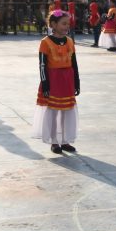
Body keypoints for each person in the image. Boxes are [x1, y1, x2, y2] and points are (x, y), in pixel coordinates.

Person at [33, 10, 80, 154]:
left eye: (68, 24)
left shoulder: (70, 41)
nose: (67, 26)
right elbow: (42, 65)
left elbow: (74, 64)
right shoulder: (45, 42)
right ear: (53, 24)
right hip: (53, 80)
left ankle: (65, 141)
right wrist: (45, 84)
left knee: (66, 111)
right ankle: (54, 141)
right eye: (63, 24)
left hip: (67, 80)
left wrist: (77, 82)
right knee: (53, 112)